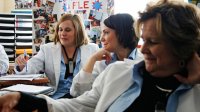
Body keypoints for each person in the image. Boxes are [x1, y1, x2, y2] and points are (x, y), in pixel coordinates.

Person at [1, 1, 200, 112]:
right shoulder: (117, 72)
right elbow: (78, 103)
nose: (144, 48)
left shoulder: (195, 92)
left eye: (153, 42)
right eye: (144, 39)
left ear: (181, 46)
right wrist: (25, 100)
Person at [14, 14, 99, 99]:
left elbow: (99, 77)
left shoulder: (92, 49)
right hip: (55, 98)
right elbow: (31, 68)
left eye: (67, 30)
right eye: (60, 30)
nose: (62, 33)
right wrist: (23, 66)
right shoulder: (47, 49)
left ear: (78, 31)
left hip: (82, 99)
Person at [70, 13, 143, 97]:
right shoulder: (103, 61)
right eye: (102, 33)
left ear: (123, 33)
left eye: (106, 32)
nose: (101, 38)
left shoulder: (142, 62)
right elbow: (77, 92)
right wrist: (92, 59)